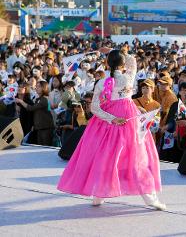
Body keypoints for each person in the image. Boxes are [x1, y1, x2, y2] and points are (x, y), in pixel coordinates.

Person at [57, 50, 165, 210]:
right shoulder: (128, 78)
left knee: (105, 157)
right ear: (122, 64)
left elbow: (94, 108)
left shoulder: (102, 83)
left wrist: (112, 119)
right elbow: (132, 61)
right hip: (129, 120)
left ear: (108, 64)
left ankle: (98, 196)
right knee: (137, 158)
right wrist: (120, 52)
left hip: (108, 122)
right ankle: (150, 198)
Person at [15, 81, 54, 146]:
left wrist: (21, 101)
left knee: (46, 147)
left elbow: (31, 108)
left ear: (44, 88)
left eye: (38, 86)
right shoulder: (38, 99)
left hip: (46, 128)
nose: (36, 88)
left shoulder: (44, 99)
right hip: (39, 128)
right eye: (36, 86)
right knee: (40, 147)